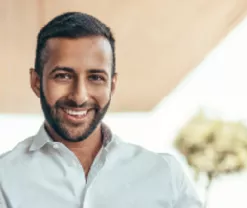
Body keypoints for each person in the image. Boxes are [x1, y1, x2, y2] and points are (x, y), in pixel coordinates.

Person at [0, 12, 202, 208]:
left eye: (95, 77)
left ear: (112, 85)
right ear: (36, 82)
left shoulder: (165, 175)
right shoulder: (4, 179)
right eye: (63, 76)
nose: (79, 97)